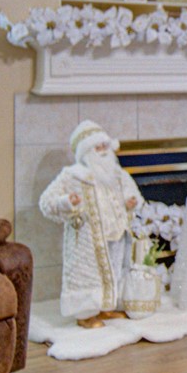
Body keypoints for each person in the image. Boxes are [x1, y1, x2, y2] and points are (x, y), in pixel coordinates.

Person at [38, 119, 145, 327]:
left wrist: (131, 202)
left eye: (105, 146)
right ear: (86, 151)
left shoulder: (117, 174)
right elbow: (46, 202)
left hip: (115, 234)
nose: (103, 151)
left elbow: (131, 193)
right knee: (88, 275)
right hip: (88, 239)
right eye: (98, 147)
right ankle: (85, 314)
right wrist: (67, 202)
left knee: (113, 271)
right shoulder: (73, 176)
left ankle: (106, 308)